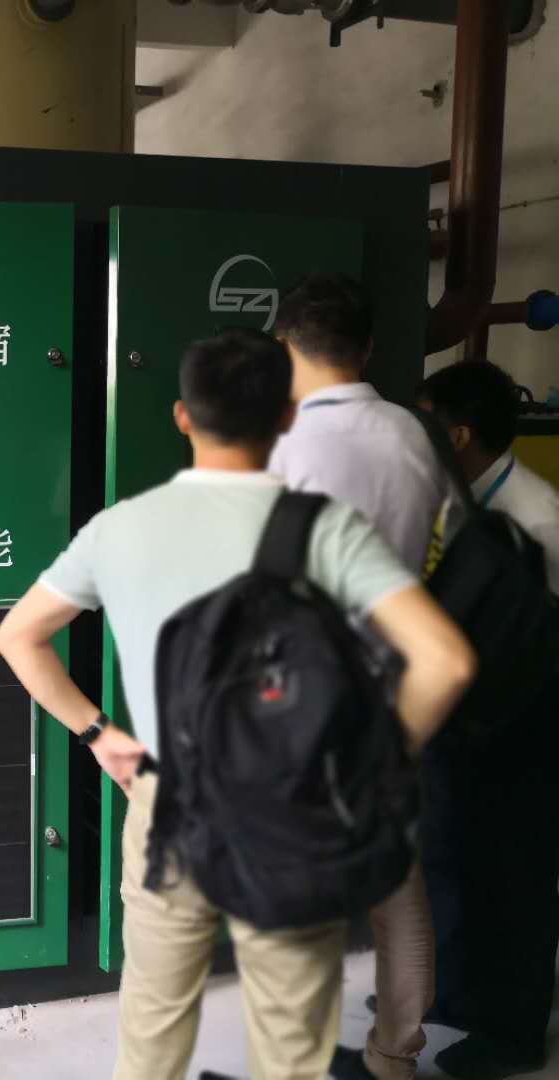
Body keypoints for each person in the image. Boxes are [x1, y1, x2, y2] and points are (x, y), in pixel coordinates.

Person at [0, 328, 475, 1080]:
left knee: (151, 1035)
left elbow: (18, 638)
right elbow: (445, 661)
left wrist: (99, 734)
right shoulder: (323, 528)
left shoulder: (120, 528)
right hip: (296, 809)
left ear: (183, 416)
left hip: (169, 803)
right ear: (286, 415)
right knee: (290, 1043)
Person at [265, 273, 451, 1080]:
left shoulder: (281, 445)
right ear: (367, 349)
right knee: (397, 888)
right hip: (399, 694)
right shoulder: (414, 435)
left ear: (284, 346)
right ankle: (393, 1056)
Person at [416, 359, 559, 1080]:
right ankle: (457, 993)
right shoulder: (462, 504)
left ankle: (515, 1030)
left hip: (525, 732)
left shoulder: (539, 517)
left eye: (427, 421)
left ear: (459, 433)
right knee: (456, 860)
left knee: (517, 878)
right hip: (472, 724)